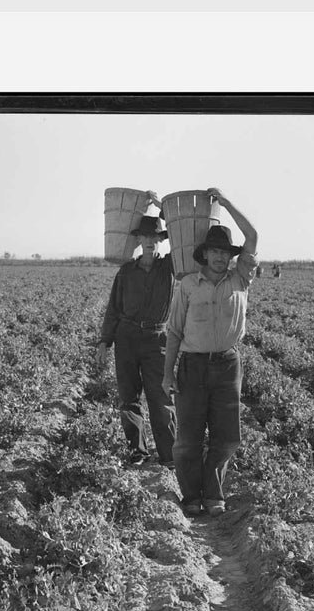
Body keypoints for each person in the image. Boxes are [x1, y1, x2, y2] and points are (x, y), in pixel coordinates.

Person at [162, 192, 259, 517]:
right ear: (205, 254)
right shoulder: (189, 284)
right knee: (188, 436)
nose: (220, 257)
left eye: (224, 252)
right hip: (191, 365)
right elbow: (174, 331)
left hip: (227, 364)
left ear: (231, 256)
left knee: (227, 434)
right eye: (214, 251)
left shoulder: (240, 279)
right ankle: (191, 496)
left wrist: (227, 203)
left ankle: (213, 493)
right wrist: (167, 373)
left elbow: (253, 236)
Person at [97, 204, 177, 466]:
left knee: (161, 397)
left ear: (161, 241)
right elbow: (114, 308)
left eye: (156, 237)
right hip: (127, 338)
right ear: (139, 240)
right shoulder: (126, 272)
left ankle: (169, 455)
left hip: (157, 340)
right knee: (129, 398)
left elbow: (183, 238)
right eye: (146, 237)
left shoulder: (170, 268)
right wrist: (104, 341)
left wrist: (165, 210)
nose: (151, 242)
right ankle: (138, 452)